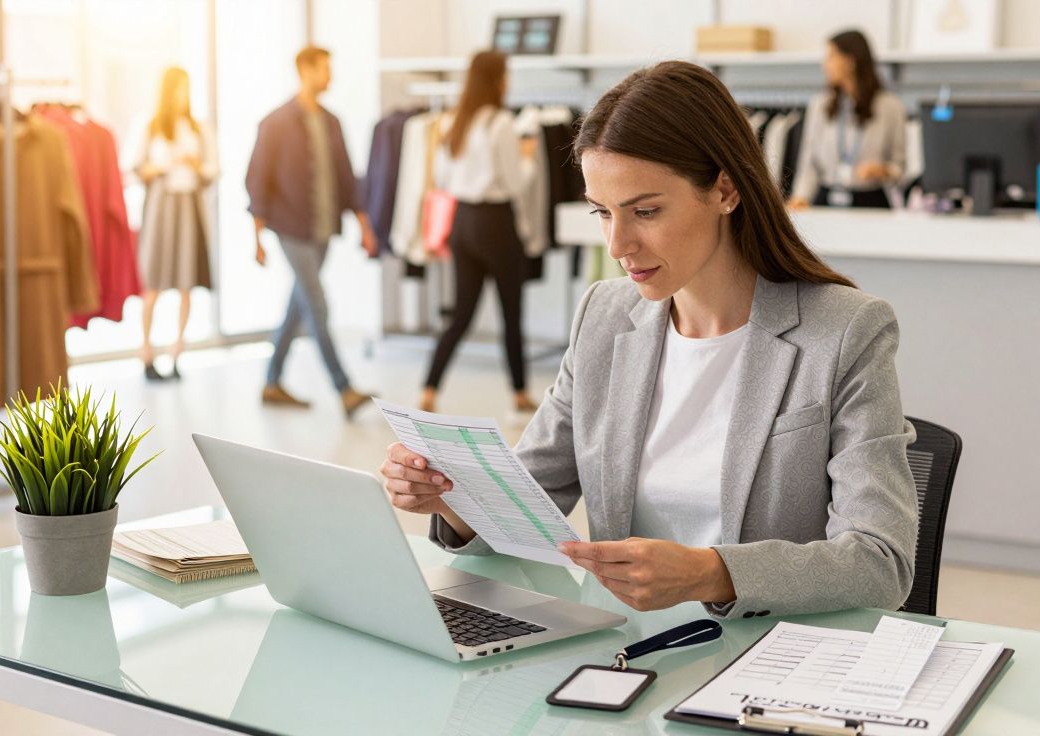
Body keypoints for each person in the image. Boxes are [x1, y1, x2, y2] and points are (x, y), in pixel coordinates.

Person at [380, 61, 918, 620]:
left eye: (645, 211)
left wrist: (710, 574)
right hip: (625, 651)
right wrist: (453, 498)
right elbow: (529, 502)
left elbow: (881, 562)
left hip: (765, 660)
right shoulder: (604, 316)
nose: (618, 244)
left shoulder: (846, 331)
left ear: (726, 189)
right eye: (602, 213)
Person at [245, 46, 377, 418]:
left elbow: (348, 178)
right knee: (317, 304)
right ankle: (344, 388)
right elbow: (257, 178)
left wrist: (364, 225)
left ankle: (271, 382)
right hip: (289, 229)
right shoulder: (275, 122)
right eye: (324, 69)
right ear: (304, 70)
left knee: (298, 305)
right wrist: (256, 236)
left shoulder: (332, 121)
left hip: (322, 229)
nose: (330, 77)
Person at [418, 51, 538, 415]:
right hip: (495, 222)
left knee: (460, 314)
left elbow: (441, 177)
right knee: (511, 312)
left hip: (462, 222)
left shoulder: (454, 122)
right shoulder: (500, 123)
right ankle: (519, 393)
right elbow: (516, 183)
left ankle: (429, 389)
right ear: (497, 79)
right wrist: (528, 156)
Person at [134, 67, 218, 381]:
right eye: (178, 89)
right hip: (161, 206)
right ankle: (146, 353)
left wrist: (197, 165)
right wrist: (162, 166)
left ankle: (176, 353)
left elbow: (212, 170)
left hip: (189, 206)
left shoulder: (198, 128)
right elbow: (135, 168)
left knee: (186, 284)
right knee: (153, 283)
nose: (183, 95)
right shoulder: (150, 126)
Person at [787, 29, 906, 210]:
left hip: (871, 202)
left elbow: (901, 166)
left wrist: (883, 171)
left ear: (851, 61)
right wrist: (800, 196)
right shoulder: (820, 105)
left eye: (831, 57)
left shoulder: (890, 106)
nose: (825, 64)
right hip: (825, 199)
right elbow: (809, 162)